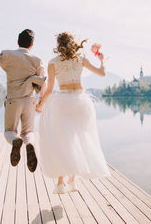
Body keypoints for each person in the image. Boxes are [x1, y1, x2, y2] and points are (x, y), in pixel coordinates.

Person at [36, 32, 110, 193]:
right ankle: (72, 182)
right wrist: (102, 60)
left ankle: (61, 182)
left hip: (62, 102)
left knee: (62, 141)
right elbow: (102, 73)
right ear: (72, 43)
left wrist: (41, 104)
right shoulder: (80, 59)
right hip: (81, 102)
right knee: (79, 139)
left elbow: (49, 90)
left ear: (58, 45)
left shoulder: (53, 63)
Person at [0, 29, 46, 172]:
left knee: (9, 131)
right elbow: (43, 82)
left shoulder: (8, 55)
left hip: (13, 100)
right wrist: (41, 102)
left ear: (17, 42)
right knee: (28, 132)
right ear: (32, 45)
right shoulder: (37, 60)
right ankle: (29, 144)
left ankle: (15, 141)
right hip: (30, 101)